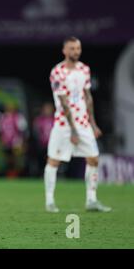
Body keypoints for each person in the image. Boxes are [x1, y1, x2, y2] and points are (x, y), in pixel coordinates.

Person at [44, 36, 111, 213]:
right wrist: (73, 130)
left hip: (83, 123)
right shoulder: (57, 72)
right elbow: (64, 101)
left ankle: (91, 200)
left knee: (94, 158)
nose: (76, 51)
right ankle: (50, 201)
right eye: (72, 48)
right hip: (63, 124)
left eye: (78, 48)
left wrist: (93, 123)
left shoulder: (84, 70)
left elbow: (88, 97)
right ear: (64, 50)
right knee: (54, 161)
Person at [33, 102, 54, 176]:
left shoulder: (54, 119)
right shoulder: (39, 120)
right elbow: (36, 131)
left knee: (52, 160)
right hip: (42, 144)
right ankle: (41, 174)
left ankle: (52, 175)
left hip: (52, 144)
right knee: (41, 161)